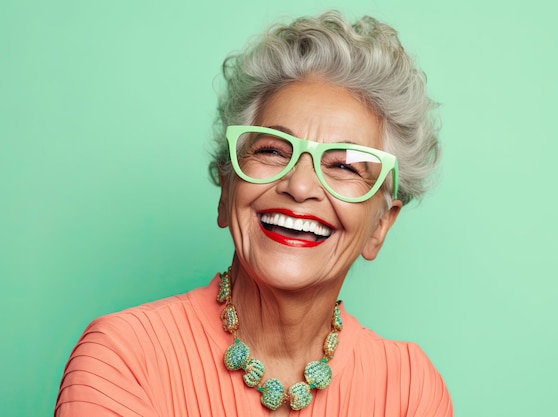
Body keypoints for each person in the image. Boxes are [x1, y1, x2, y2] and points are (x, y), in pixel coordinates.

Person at [55, 10, 452, 417]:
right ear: (227, 190)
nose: (299, 186)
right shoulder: (122, 358)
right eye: (273, 150)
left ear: (379, 227)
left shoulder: (408, 389)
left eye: (344, 165)